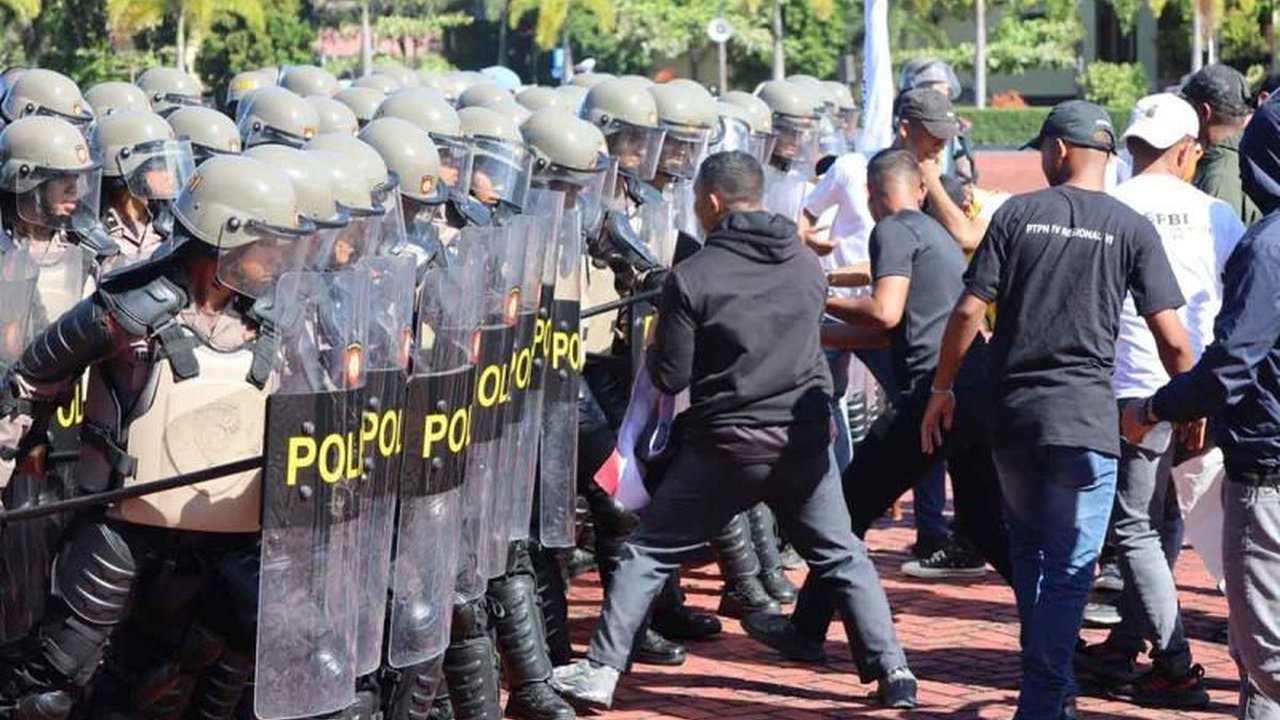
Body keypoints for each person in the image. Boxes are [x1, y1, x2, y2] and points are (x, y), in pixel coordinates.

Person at [550, 150, 918, 711]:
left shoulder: (693, 276)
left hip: (726, 445)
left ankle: (601, 672)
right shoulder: (803, 262)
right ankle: (893, 671)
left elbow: (671, 375)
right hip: (802, 440)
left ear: (713, 201)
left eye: (698, 200)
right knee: (843, 556)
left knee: (646, 553)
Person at [920, 100, 1195, 720]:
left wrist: (942, 389)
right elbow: (1173, 338)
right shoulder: (1130, 228)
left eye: (1042, 149)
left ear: (1061, 150)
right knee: (1071, 567)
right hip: (1086, 423)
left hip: (1014, 419)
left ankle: (1050, 693)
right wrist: (1187, 402)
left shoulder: (1018, 214)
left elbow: (968, 312)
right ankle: (1044, 699)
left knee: (1031, 554)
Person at [742, 148, 1010, 664]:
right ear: (921, 189)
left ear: (869, 194)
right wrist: (817, 324)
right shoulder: (935, 234)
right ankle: (1057, 627)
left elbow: (884, 315)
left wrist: (813, 296)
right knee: (983, 522)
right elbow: (889, 327)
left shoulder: (889, 231)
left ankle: (806, 629)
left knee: (846, 510)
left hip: (932, 400)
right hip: (974, 394)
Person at [1072, 93, 1242, 708]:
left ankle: (1173, 661)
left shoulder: (1106, 207)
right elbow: (1232, 306)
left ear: (1133, 147)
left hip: (1125, 388)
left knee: (1135, 527)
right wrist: (1201, 396)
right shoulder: (1216, 214)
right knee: (1162, 520)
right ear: (1185, 151)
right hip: (1190, 383)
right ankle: (1128, 641)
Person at [1120, 92, 1280, 720]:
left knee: (1267, 652)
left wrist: (1160, 407)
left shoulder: (1268, 246)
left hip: (1266, 462)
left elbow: (1234, 361)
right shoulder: (1237, 226)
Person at [1182, 63, 1261, 225]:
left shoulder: (1219, 176)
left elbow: (1216, 248)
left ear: (1204, 112)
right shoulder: (1258, 153)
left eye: (1188, 107)